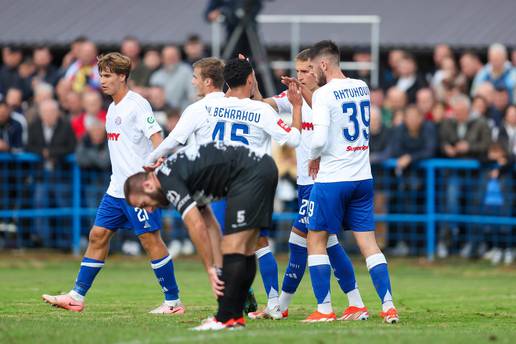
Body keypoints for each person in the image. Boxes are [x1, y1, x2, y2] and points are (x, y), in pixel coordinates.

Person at [42, 52, 183, 315]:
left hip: (138, 189)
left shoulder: (137, 104)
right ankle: (76, 296)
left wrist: (153, 179)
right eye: (101, 75)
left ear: (122, 76)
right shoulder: (112, 108)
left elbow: (157, 137)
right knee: (98, 235)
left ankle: (173, 302)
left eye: (107, 75)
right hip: (115, 189)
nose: (102, 80)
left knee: (151, 241)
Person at [256, 49, 370, 321]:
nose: (300, 76)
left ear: (319, 69)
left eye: (306, 70)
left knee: (314, 242)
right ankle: (348, 303)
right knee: (315, 241)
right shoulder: (292, 97)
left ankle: (335, 304)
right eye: (297, 71)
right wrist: (254, 85)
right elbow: (262, 104)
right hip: (305, 183)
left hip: (324, 181)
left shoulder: (328, 97)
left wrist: (298, 100)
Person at [124, 142, 278, 330]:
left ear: (147, 185)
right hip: (263, 167)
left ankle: (224, 318)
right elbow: (209, 223)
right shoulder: (182, 177)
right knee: (245, 249)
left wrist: (209, 269)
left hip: (249, 173)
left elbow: (195, 225)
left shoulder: (167, 179)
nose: (148, 209)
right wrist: (218, 269)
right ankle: (234, 317)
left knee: (233, 246)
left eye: (144, 204)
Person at [305, 40, 399, 324]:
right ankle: (388, 306)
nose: (311, 73)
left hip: (334, 177)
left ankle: (323, 310)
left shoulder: (323, 94)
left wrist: (312, 156)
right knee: (369, 244)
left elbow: (320, 138)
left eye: (312, 67)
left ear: (323, 64)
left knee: (316, 240)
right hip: (362, 177)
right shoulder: (361, 86)